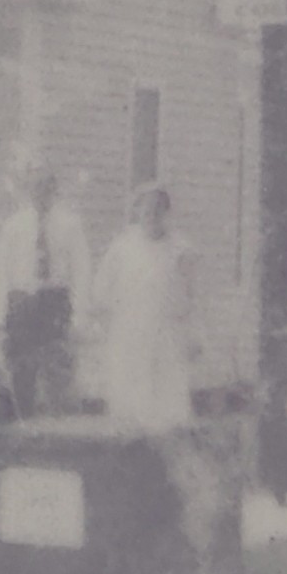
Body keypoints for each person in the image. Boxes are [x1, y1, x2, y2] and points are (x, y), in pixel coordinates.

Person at [92, 182, 200, 432]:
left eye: (158, 210)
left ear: (167, 213)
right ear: (137, 211)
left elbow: (193, 298)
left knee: (167, 412)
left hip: (168, 339)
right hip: (130, 337)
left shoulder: (181, 250)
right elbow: (101, 291)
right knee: (130, 408)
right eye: (147, 210)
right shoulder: (121, 248)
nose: (152, 216)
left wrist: (193, 336)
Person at [0, 165, 92, 415]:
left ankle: (59, 431)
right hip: (22, 303)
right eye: (35, 186)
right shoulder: (13, 226)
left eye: (47, 187)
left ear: (54, 190)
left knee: (57, 370)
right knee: (21, 372)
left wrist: (79, 316)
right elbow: (1, 273)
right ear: (28, 190)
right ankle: (23, 423)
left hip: (54, 301)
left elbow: (81, 272)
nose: (41, 193)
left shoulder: (70, 224)